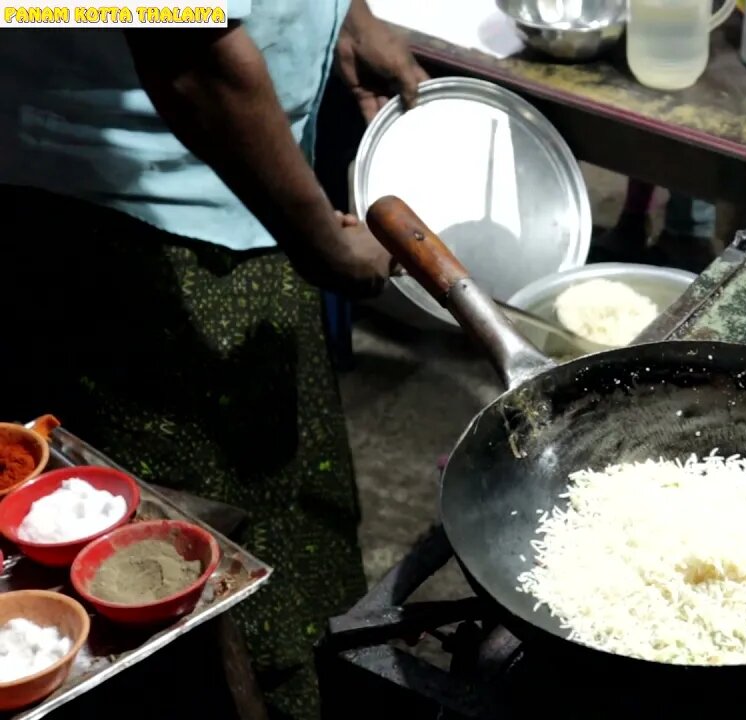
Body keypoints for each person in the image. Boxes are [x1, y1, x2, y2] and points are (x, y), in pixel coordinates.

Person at [0, 1, 427, 716]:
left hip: (232, 203)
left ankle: (299, 676)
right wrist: (323, 244)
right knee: (202, 553)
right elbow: (189, 56)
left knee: (287, 500)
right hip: (131, 222)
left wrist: (341, 15)